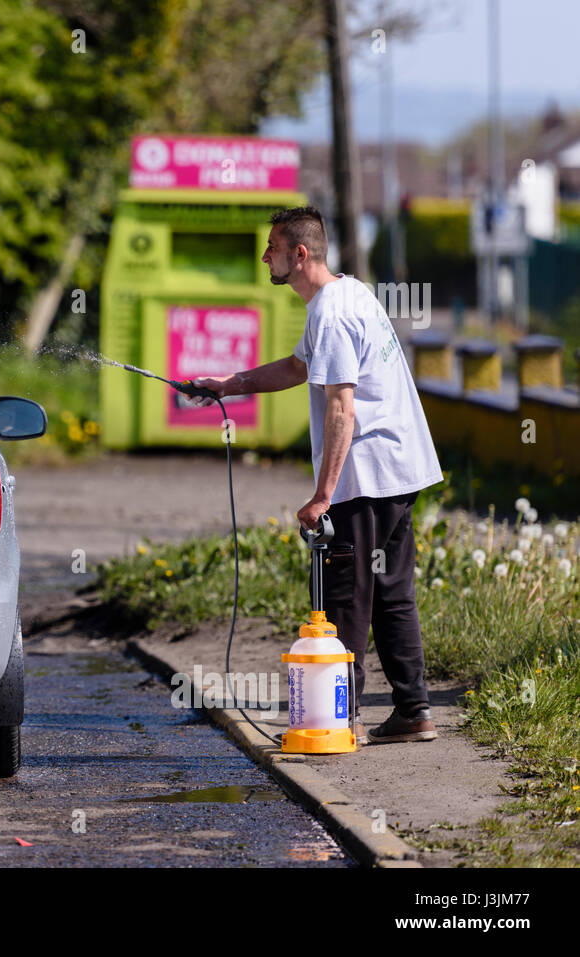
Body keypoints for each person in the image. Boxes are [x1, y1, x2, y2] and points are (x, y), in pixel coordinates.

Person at [190, 206, 443, 745]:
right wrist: (226, 384)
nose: (266, 257)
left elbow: (341, 408)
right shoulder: (349, 294)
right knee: (393, 595)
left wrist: (323, 495)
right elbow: (299, 367)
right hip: (399, 471)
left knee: (347, 597)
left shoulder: (331, 312)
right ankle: (414, 710)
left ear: (298, 254)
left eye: (273, 248)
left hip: (368, 475)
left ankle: (334, 723)